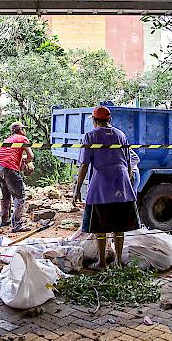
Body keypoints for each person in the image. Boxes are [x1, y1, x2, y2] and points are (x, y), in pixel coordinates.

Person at [72, 106, 140, 270]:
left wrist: (77, 188)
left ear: (95, 121)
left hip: (101, 186)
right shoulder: (121, 135)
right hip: (121, 184)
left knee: (100, 227)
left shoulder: (90, 136)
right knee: (119, 226)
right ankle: (118, 263)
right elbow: (129, 164)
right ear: (109, 119)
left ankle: (102, 263)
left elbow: (84, 165)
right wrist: (127, 183)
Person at [0, 121, 34, 233]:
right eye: (23, 129)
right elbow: (31, 156)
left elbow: (10, 155)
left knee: (6, 195)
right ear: (20, 130)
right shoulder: (23, 139)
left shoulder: (7, 140)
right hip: (9, 168)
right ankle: (17, 225)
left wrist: (21, 161)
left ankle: (4, 220)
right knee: (20, 197)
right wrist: (27, 162)